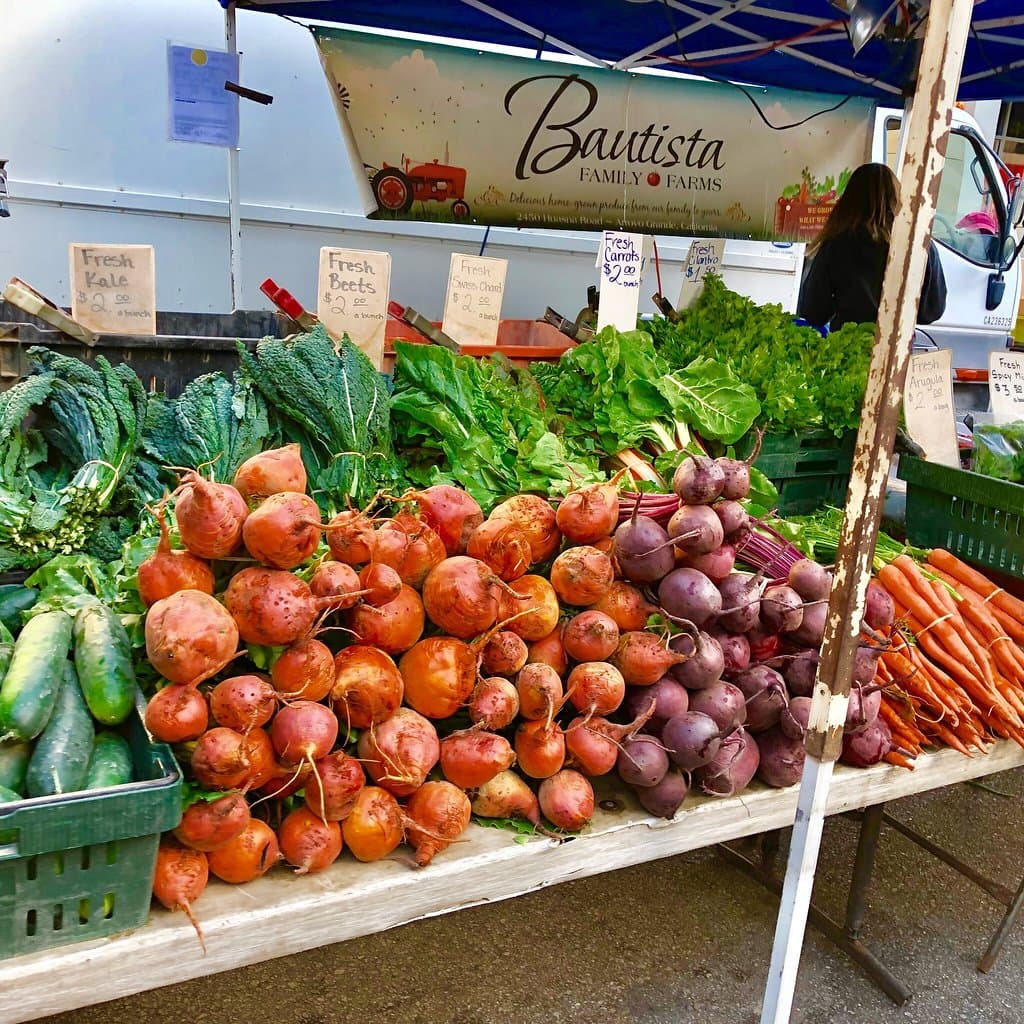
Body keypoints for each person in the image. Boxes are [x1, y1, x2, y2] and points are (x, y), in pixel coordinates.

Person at [797, 162, 947, 330]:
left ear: (849, 200)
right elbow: (932, 311)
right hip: (897, 350)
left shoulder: (836, 245)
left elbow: (813, 312)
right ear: (897, 197)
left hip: (846, 349)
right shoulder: (919, 245)